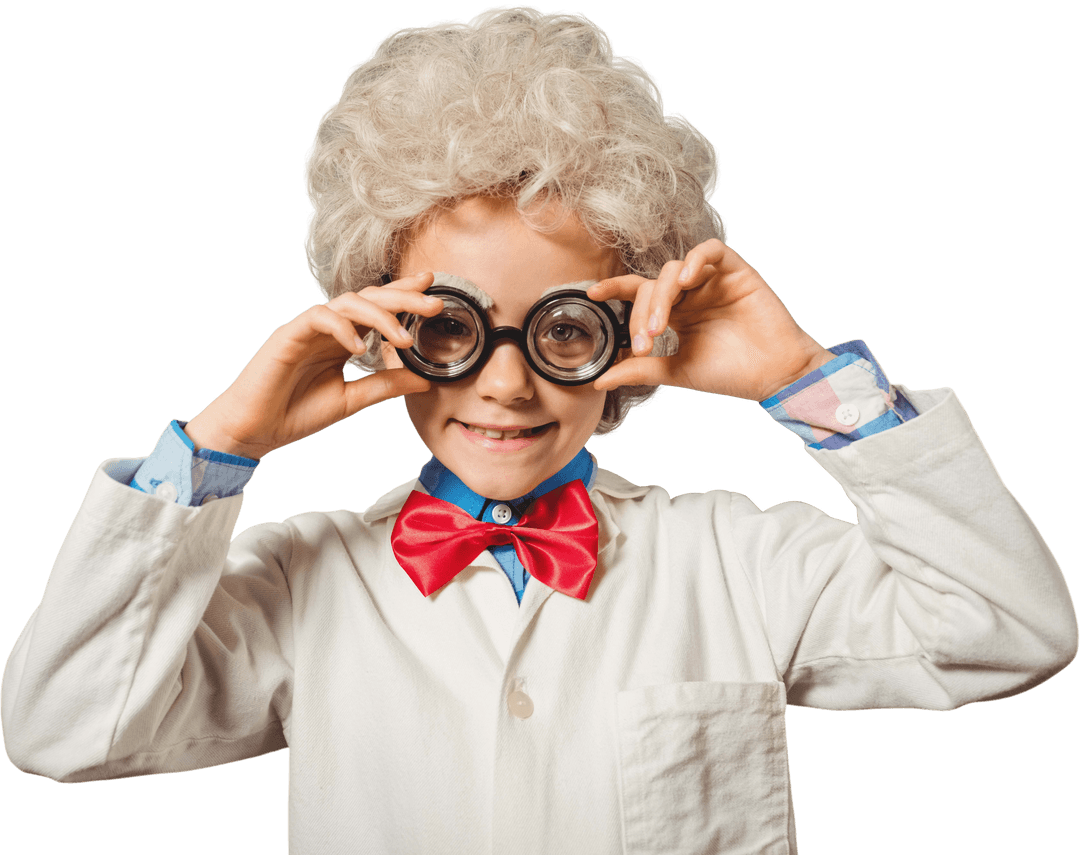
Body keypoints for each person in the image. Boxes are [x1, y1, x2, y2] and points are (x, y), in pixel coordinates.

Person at [2, 6, 1076, 853]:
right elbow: (64, 728)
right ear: (380, 327)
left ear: (633, 327)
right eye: (451, 326)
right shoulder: (300, 580)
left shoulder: (737, 560)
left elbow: (1010, 627)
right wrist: (224, 443)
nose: (507, 385)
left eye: (563, 330)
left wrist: (803, 381)